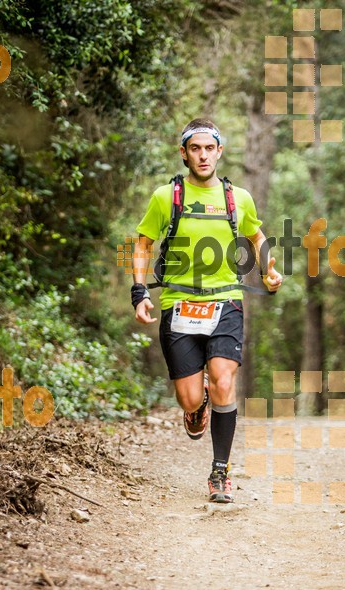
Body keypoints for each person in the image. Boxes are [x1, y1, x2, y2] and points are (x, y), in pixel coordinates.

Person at [131, 118, 282, 503]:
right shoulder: (167, 197)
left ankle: (220, 472)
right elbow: (143, 244)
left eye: (209, 148)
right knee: (188, 397)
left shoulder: (238, 198)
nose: (202, 155)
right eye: (194, 148)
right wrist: (138, 290)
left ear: (219, 152)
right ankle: (194, 407)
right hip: (178, 303)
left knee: (223, 382)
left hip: (226, 300)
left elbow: (256, 234)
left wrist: (269, 267)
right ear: (183, 153)